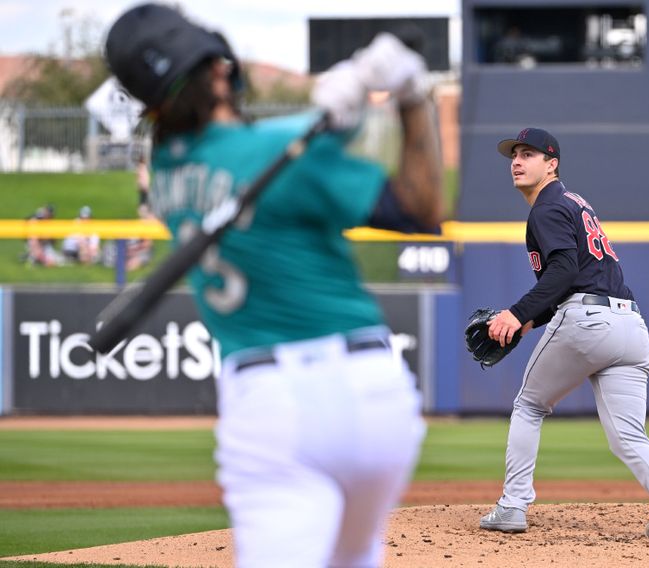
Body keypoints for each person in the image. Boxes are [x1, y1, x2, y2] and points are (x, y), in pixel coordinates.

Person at [105, 4, 443, 567]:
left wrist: (342, 113)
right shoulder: (285, 151)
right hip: (376, 394)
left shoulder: (163, 167)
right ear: (219, 70)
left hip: (271, 409)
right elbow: (422, 206)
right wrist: (403, 98)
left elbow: (248, 146)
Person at [478, 127, 649, 544]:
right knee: (629, 435)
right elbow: (574, 277)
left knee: (529, 405)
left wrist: (516, 313)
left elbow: (565, 272)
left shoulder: (546, 208)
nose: (517, 161)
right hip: (630, 326)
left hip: (587, 322)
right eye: (514, 154)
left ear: (551, 164)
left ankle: (512, 506)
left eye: (529, 154)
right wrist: (528, 321)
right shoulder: (574, 203)